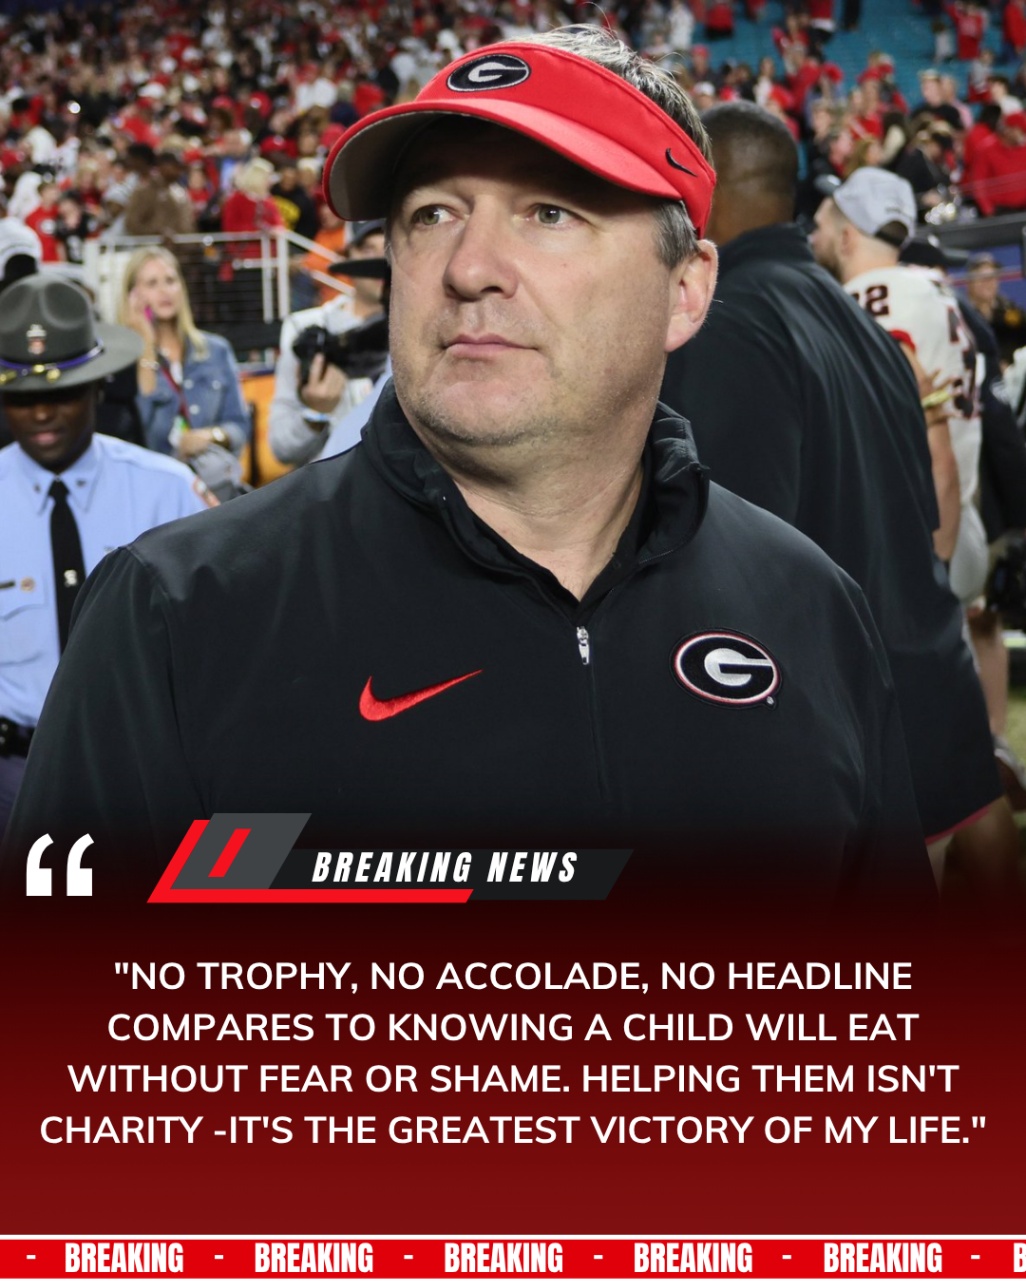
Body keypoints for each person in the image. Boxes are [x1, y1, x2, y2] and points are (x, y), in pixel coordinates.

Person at [3, 31, 933, 907]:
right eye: (432, 214)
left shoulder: (813, 611)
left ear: (685, 290)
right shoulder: (177, 616)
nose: (470, 266)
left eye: (549, 212)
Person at [661, 102, 1014, 894]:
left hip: (830, 717)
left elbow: (729, 561)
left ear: (704, 187)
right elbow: (924, 509)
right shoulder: (853, 316)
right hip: (917, 665)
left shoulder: (727, 319)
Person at [0, 275, 212, 836]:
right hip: (11, 776)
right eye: (22, 397)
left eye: (62, 393)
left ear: (97, 388)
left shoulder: (169, 491)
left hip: (145, 773)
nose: (41, 414)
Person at [119, 246, 251, 471]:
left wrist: (212, 435)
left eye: (170, 281)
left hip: (212, 481)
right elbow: (140, 434)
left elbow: (241, 426)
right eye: (152, 283)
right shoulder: (124, 361)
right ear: (133, 296)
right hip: (156, 481)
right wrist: (146, 348)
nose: (164, 291)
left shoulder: (216, 350)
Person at [269, 219, 386, 467]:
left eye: (389, 248)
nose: (380, 260)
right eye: (368, 249)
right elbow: (281, 446)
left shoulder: (422, 331)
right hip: (329, 481)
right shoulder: (307, 329)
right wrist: (316, 413)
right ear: (348, 255)